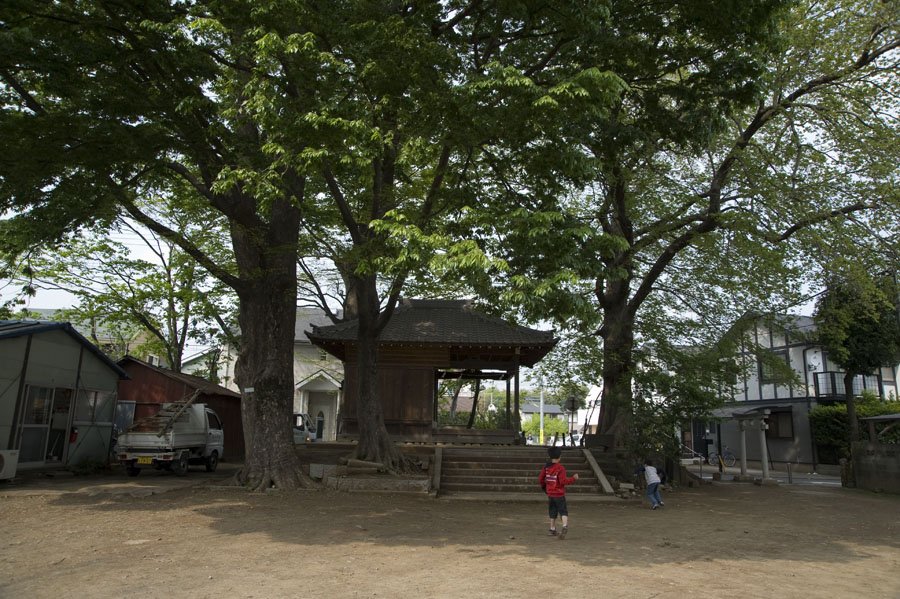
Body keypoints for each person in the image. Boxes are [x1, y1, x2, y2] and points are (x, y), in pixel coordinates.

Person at [538, 446, 579, 539]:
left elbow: (540, 478)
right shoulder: (560, 468)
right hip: (559, 494)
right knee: (563, 511)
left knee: (552, 511)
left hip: (550, 494)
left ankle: (552, 529)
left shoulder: (546, 467)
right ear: (560, 456)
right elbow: (563, 481)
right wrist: (573, 478)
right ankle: (564, 526)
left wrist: (545, 487)